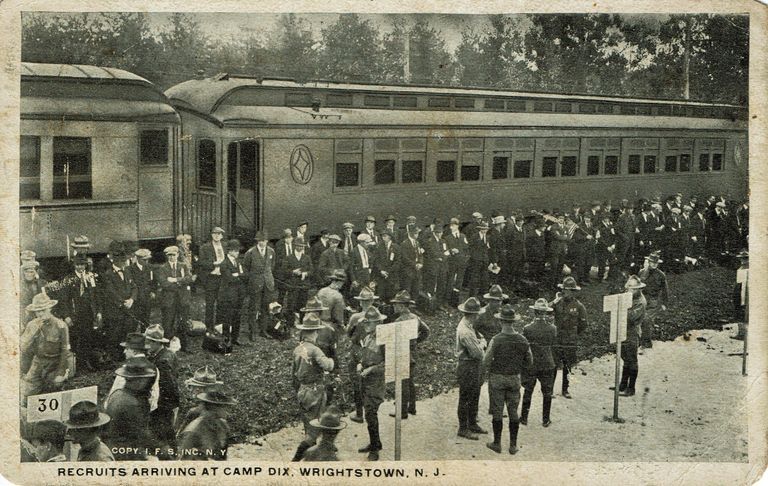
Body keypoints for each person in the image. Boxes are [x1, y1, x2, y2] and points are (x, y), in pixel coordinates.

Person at [483, 304, 532, 454]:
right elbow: (529, 361)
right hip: (514, 379)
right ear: (513, 322)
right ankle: (513, 445)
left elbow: (486, 361)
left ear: (500, 321)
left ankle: (497, 443)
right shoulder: (523, 340)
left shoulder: (496, 340)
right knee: (513, 411)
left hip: (497, 379)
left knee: (497, 411)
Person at [290, 313, 335, 461]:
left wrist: (299, 389)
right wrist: (331, 360)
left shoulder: (298, 349)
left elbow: (293, 374)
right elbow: (328, 366)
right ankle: (298, 458)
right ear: (314, 332)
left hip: (302, 390)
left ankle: (311, 453)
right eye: (317, 332)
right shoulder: (315, 350)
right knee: (314, 429)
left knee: (308, 424)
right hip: (315, 391)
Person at [48, 253, 100, 371]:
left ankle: (87, 362)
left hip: (88, 313)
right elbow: (63, 300)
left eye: (82, 265)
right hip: (75, 314)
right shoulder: (68, 279)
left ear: (86, 265)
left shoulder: (91, 277)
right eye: (78, 265)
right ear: (74, 265)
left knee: (88, 337)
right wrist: (66, 316)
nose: (80, 267)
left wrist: (98, 312)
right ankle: (76, 364)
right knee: (76, 338)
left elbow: (96, 296)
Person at [20, 293, 70, 405]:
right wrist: (32, 334)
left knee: (56, 386)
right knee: (26, 396)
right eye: (37, 311)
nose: (40, 314)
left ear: (50, 308)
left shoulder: (61, 325)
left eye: (43, 310)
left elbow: (65, 350)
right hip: (38, 362)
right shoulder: (32, 325)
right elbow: (23, 349)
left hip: (55, 363)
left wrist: (61, 372)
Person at [104, 357, 158, 460]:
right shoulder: (131, 403)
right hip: (124, 452)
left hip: (112, 446)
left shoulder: (118, 393)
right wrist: (161, 448)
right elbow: (141, 434)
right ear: (139, 380)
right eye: (145, 379)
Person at [388, 290, 429, 418]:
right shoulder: (415, 317)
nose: (394, 306)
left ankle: (402, 411)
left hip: (402, 353)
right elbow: (426, 331)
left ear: (402, 306)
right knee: (410, 381)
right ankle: (412, 407)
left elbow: (392, 340)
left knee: (402, 383)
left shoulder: (398, 321)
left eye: (396, 304)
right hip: (412, 353)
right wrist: (416, 341)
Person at [355, 307, 387, 461]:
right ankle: (375, 442)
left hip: (376, 382)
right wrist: (360, 364)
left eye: (369, 322)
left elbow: (388, 364)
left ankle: (375, 449)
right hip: (366, 380)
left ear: (378, 323)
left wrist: (371, 369)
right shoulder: (368, 337)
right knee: (369, 413)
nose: (366, 325)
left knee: (370, 413)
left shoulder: (384, 341)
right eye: (365, 322)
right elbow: (364, 355)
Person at [454, 297, 488, 440]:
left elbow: (480, 338)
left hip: (473, 365)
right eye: (477, 314)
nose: (478, 316)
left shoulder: (469, 325)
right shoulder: (465, 331)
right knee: (466, 397)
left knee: (474, 395)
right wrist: (483, 343)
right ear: (473, 314)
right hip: (467, 365)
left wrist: (480, 341)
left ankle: (472, 423)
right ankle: (463, 428)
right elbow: (478, 353)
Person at [520, 298, 557, 427]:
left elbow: (524, 347)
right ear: (545, 313)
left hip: (532, 363)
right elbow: (554, 345)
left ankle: (524, 418)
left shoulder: (527, 328)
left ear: (535, 312)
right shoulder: (552, 328)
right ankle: (545, 420)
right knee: (547, 392)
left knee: (528, 391)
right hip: (547, 363)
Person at [100, 241, 138, 361]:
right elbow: (110, 292)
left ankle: (125, 355)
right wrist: (122, 303)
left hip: (128, 308)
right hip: (115, 311)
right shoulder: (108, 274)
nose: (124, 263)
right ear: (116, 262)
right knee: (114, 335)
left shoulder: (127, 271)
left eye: (124, 261)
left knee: (127, 332)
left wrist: (132, 299)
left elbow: (134, 287)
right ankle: (114, 358)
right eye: (122, 261)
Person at [145, 325, 180, 456]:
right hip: (169, 402)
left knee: (163, 433)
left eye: (149, 342)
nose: (146, 346)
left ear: (156, 343)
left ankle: (170, 456)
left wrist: (158, 404)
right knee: (167, 432)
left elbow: (168, 386)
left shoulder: (162, 361)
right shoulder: (169, 353)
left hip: (163, 404)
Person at [551, 277, 587, 399]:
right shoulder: (557, 303)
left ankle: (565, 389)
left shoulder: (578, 306)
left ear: (573, 292)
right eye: (564, 289)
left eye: (569, 290)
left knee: (567, 366)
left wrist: (574, 334)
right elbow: (547, 310)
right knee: (554, 365)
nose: (565, 292)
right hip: (557, 339)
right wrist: (554, 301)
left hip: (570, 340)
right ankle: (550, 389)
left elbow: (583, 324)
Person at [347, 287, 378, 423]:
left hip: (358, 350)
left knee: (356, 381)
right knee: (370, 381)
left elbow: (348, 333)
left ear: (360, 302)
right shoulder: (378, 316)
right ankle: (371, 410)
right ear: (372, 301)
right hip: (373, 351)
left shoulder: (355, 317)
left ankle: (359, 413)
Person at [177, 390, 237, 460]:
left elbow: (223, 455)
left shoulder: (223, 426)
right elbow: (184, 459)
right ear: (214, 408)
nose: (228, 412)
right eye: (226, 407)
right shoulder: (194, 430)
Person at [156, 246, 193, 352]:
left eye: (173, 255)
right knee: (168, 323)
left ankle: (184, 346)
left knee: (183, 322)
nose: (172, 257)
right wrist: (180, 284)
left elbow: (189, 279)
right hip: (169, 300)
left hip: (182, 299)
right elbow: (164, 283)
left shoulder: (183, 266)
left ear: (177, 255)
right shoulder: (162, 268)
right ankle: (167, 347)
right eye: (169, 255)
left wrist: (175, 279)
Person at [242, 231, 277, 339]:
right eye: (260, 241)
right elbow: (245, 268)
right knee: (254, 308)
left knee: (266, 307)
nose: (262, 243)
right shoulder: (250, 253)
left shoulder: (271, 251)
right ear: (257, 241)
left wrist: (268, 278)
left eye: (264, 241)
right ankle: (252, 331)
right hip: (255, 284)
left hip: (268, 284)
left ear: (267, 241)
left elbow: (272, 266)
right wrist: (253, 279)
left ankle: (263, 330)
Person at [616, 275, 647, 396]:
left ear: (639, 289)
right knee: (625, 358)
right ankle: (623, 384)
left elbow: (631, 317)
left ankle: (631, 388)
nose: (630, 291)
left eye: (633, 289)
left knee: (632, 360)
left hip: (633, 332)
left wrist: (621, 308)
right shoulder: (628, 296)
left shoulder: (641, 302)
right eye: (629, 288)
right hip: (623, 330)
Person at [178, 366, 224, 434]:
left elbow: (181, 435)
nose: (193, 390)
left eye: (203, 388)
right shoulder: (220, 408)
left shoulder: (194, 411)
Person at [197, 227, 227, 332]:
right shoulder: (205, 247)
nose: (216, 236)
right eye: (214, 233)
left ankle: (219, 327)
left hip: (222, 278)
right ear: (211, 235)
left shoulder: (225, 246)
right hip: (211, 278)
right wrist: (213, 264)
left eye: (219, 234)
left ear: (222, 236)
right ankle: (209, 327)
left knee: (221, 303)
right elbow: (201, 262)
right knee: (210, 304)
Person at [637, 253, 668, 349]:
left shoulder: (661, 275)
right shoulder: (642, 272)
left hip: (653, 301)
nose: (654, 264)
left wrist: (664, 303)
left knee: (646, 319)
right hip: (642, 300)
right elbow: (637, 287)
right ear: (649, 262)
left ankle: (646, 343)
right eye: (652, 262)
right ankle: (640, 340)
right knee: (639, 320)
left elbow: (665, 290)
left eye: (656, 263)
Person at [218, 239, 246, 344]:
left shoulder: (238, 262)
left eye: (238, 250)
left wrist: (237, 275)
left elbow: (244, 275)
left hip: (238, 294)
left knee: (237, 317)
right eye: (235, 250)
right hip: (228, 295)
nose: (238, 252)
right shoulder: (224, 264)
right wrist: (239, 275)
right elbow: (229, 278)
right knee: (227, 318)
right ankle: (226, 339)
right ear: (230, 251)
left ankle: (235, 338)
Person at [283, 237, 314, 320]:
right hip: (293, 286)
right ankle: (290, 324)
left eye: (302, 246)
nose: (300, 248)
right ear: (295, 246)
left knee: (303, 307)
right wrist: (293, 272)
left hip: (304, 286)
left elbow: (312, 271)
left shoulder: (307, 258)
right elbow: (284, 271)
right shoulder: (289, 257)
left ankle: (302, 322)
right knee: (291, 306)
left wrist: (305, 273)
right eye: (298, 246)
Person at [422, 218, 450, 304]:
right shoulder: (430, 241)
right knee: (431, 285)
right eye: (438, 232)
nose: (440, 234)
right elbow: (433, 253)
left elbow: (447, 252)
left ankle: (439, 303)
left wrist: (442, 257)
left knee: (441, 285)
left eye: (441, 232)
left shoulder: (443, 241)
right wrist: (441, 256)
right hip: (433, 266)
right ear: (434, 233)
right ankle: (431, 303)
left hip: (442, 266)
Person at [129, 249, 155, 330]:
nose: (146, 261)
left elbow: (153, 281)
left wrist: (153, 291)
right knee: (134, 322)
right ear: (138, 258)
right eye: (144, 260)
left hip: (147, 298)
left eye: (147, 260)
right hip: (136, 299)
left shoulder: (149, 267)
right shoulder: (130, 269)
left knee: (146, 321)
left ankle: (145, 335)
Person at [445, 217, 470, 296]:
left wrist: (465, 258)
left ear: (457, 226)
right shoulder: (447, 238)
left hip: (461, 261)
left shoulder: (463, 236)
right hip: (452, 262)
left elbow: (466, 248)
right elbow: (446, 250)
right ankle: (449, 295)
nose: (451, 227)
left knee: (460, 279)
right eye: (451, 225)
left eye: (454, 225)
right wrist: (451, 251)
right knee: (450, 279)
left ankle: (456, 296)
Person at [375, 229, 401, 303]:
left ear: (390, 237)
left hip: (392, 275)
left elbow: (398, 262)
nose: (383, 238)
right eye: (382, 236)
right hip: (382, 275)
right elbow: (377, 260)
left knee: (392, 295)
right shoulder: (379, 247)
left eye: (385, 236)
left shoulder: (396, 247)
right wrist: (381, 270)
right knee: (382, 295)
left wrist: (388, 271)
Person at [399, 225, 423, 300]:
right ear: (410, 233)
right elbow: (404, 258)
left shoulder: (417, 243)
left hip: (417, 271)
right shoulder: (404, 244)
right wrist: (415, 265)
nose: (417, 235)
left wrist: (420, 263)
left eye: (417, 233)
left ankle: (414, 303)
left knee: (416, 289)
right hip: (408, 271)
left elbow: (420, 255)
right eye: (415, 233)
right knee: (407, 290)